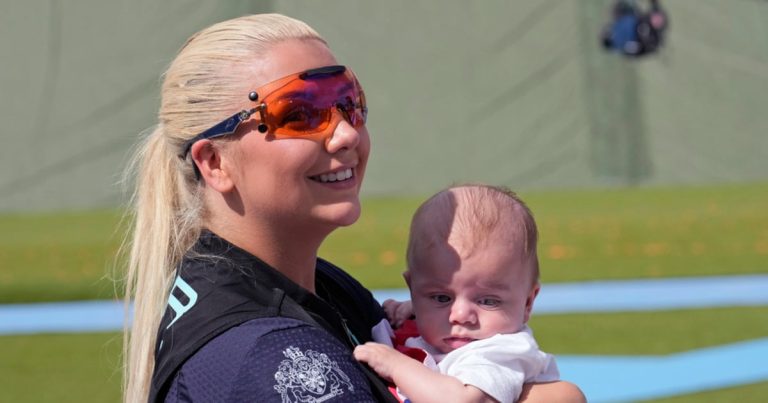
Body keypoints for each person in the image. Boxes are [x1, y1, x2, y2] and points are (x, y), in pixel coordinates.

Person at [121, 13, 586, 403]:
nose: (345, 133)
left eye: (349, 104)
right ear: (215, 162)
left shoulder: (326, 288)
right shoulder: (268, 357)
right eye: (299, 114)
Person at [354, 185, 563, 403]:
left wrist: (394, 365)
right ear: (413, 290)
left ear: (528, 303)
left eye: (488, 301)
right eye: (441, 298)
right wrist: (413, 308)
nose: (461, 315)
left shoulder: (502, 353)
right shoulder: (431, 325)